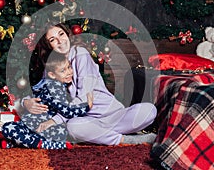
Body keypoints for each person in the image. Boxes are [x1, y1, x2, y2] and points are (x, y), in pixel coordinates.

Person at [24, 22, 157, 145]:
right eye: (52, 40)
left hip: (114, 115)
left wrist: (55, 120)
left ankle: (102, 135)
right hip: (88, 120)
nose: (60, 41)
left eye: (61, 34)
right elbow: (42, 91)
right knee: (73, 127)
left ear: (67, 35)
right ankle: (123, 139)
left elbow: (84, 99)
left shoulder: (80, 54)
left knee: (149, 111)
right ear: (48, 46)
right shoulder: (52, 68)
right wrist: (26, 102)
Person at [1, 51, 93, 149]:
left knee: (60, 132)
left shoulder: (55, 85)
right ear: (52, 75)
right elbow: (67, 110)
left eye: (69, 67)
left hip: (44, 126)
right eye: (63, 71)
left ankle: (21, 142)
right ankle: (45, 144)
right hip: (33, 124)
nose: (69, 72)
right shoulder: (54, 87)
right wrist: (86, 106)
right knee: (8, 127)